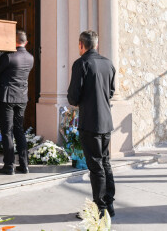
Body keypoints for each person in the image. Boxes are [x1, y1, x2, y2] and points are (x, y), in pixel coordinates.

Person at [67, 30, 116, 218]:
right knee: (105, 162)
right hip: (106, 120)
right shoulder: (108, 63)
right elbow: (111, 91)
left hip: (90, 121)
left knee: (96, 166)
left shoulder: (81, 64)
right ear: (96, 44)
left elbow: (73, 96)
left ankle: (99, 209)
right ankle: (109, 204)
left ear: (81, 44)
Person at [0, 30, 34, 175]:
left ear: (13, 41)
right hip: (22, 98)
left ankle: (9, 165)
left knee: (7, 132)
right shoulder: (31, 57)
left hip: (7, 97)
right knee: (19, 130)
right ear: (26, 42)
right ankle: (24, 165)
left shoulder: (9, 57)